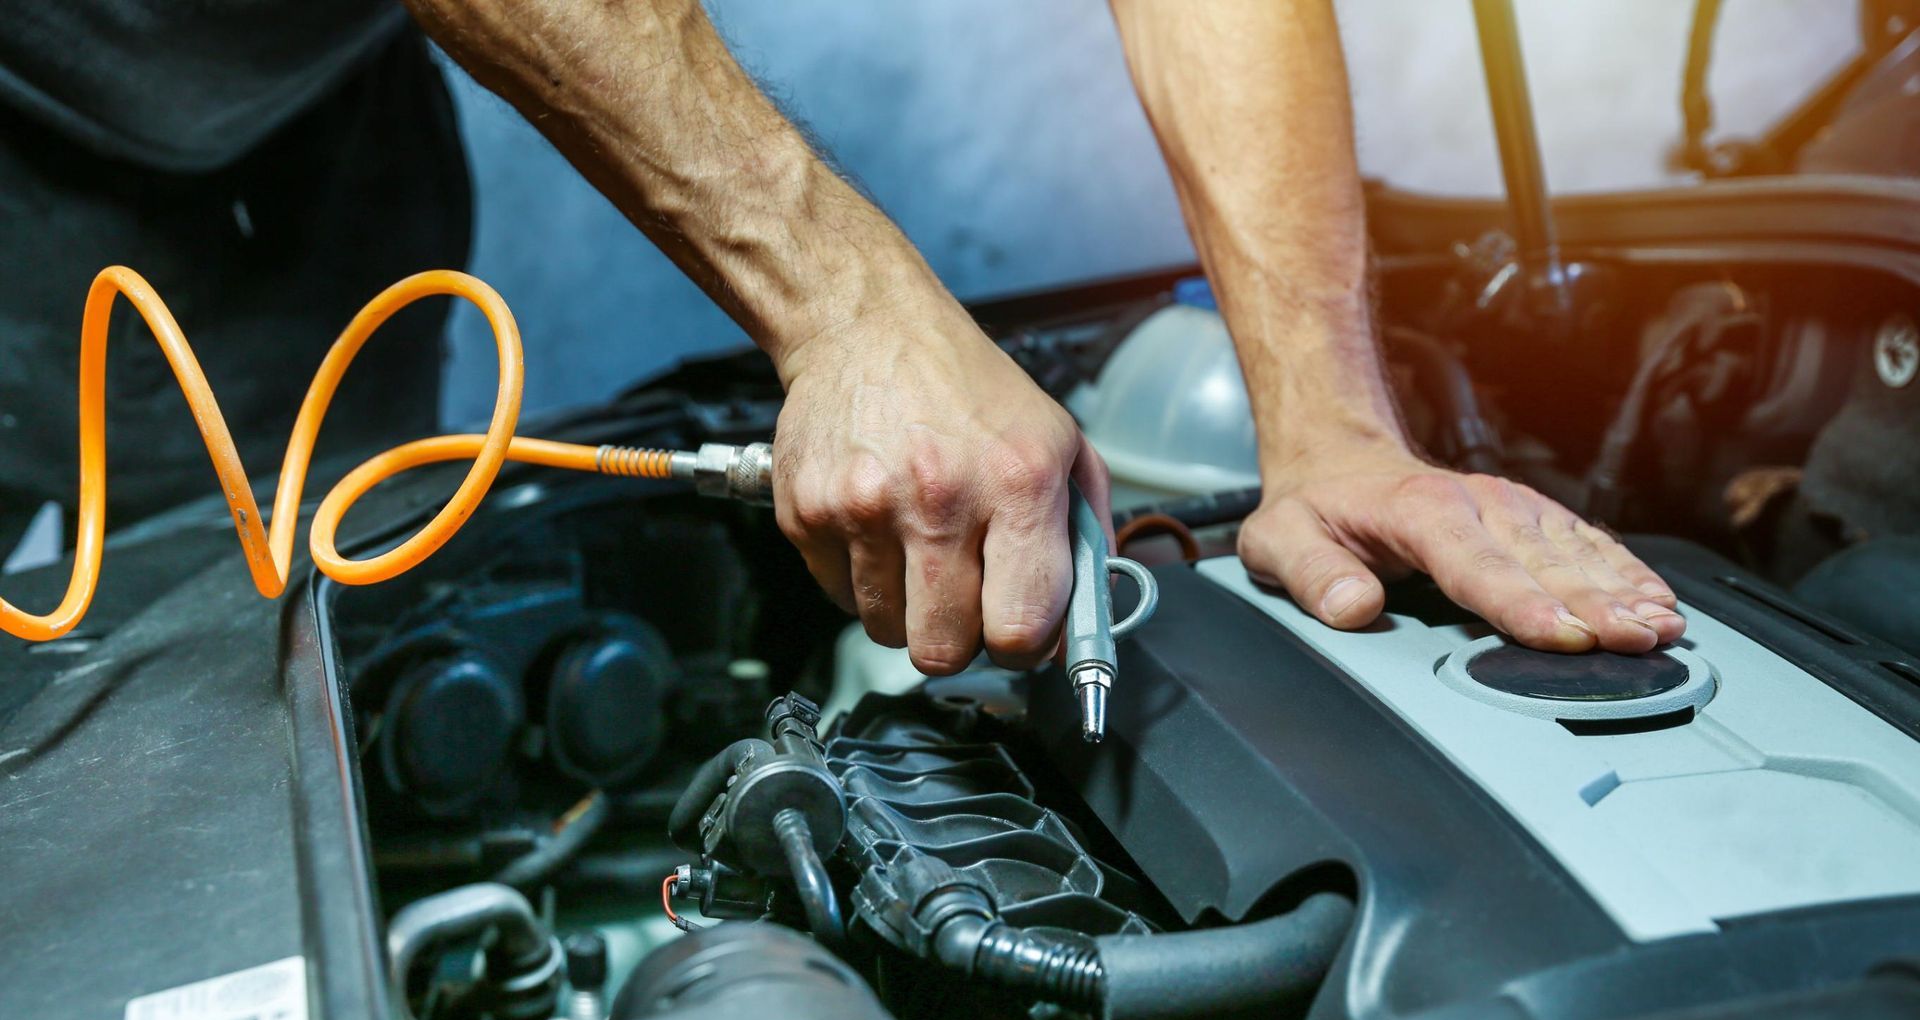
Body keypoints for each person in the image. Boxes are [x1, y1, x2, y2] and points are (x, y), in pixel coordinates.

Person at [0, 0, 1681, 669]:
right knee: (113, 689)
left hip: (297, 99)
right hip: (45, 111)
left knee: (294, 641)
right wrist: (848, 295)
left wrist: (1327, 425)